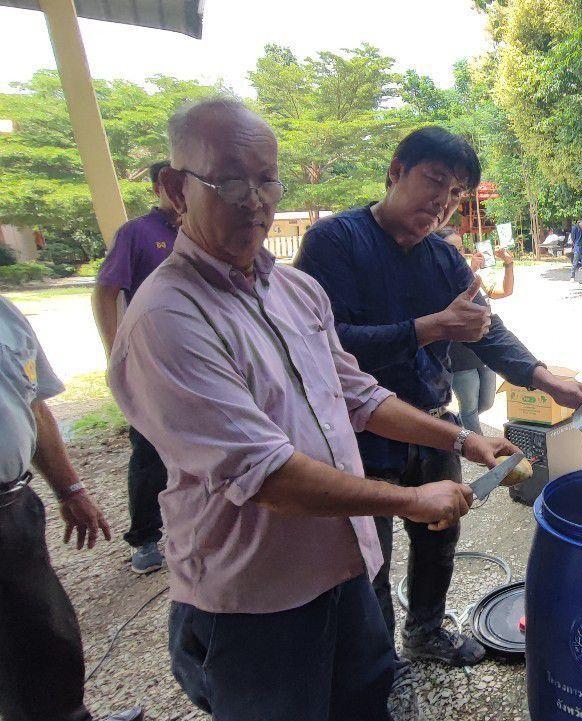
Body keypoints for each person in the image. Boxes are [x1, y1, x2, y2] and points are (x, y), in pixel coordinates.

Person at [109, 98, 516, 720]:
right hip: (256, 601)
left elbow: (359, 394)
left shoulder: (294, 290)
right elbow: (266, 474)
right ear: (174, 188)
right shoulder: (168, 318)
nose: (255, 201)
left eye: (267, 179)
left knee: (366, 705)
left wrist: (463, 440)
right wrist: (410, 500)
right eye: (230, 181)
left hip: (344, 567)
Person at [294, 125, 582, 666]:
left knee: (439, 535)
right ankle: (376, 664)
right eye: (435, 181)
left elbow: (487, 330)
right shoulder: (335, 242)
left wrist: (547, 380)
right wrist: (432, 327)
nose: (444, 201)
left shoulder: (442, 258)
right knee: (367, 556)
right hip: (359, 433)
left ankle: (425, 632)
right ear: (396, 172)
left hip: (434, 424)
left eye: (456, 192)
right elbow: (325, 346)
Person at [1, 299, 141, 721]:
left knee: (44, 635)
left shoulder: (6, 315)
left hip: (12, 508)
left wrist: (70, 489)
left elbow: (34, 406)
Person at [90, 160, 178, 576]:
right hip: (150, 362)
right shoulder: (137, 234)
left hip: (203, 359)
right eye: (173, 184)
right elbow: (105, 292)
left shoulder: (202, 231)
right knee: (149, 450)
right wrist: (116, 353)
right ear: (161, 187)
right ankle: (145, 537)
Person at [443, 231, 515, 434]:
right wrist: (469, 271)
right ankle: (480, 449)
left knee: (487, 402)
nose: (457, 254)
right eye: (451, 250)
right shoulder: (436, 279)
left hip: (484, 347)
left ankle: (453, 427)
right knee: (469, 408)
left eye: (460, 249)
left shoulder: (472, 274)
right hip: (458, 353)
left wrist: (508, 264)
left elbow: (503, 292)